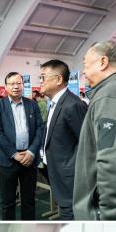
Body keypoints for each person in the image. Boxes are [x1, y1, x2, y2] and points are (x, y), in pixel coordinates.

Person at [74, 41, 116, 220]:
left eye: (86, 65)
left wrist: (110, 218)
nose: (84, 72)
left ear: (103, 62)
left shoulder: (110, 94)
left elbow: (112, 161)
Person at [37, 59, 87, 220]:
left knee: (69, 216)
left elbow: (86, 144)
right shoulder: (55, 103)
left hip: (69, 176)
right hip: (55, 171)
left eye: (43, 77)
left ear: (58, 79)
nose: (40, 81)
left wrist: (71, 170)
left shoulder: (73, 105)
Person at [0, 72, 44, 220]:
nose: (16, 86)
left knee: (29, 201)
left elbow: (40, 128)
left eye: (19, 83)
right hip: (7, 160)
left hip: (29, 158)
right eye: (12, 84)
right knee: (8, 202)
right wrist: (14, 153)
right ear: (6, 87)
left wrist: (32, 152)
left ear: (23, 85)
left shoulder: (32, 104)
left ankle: (28, 230)